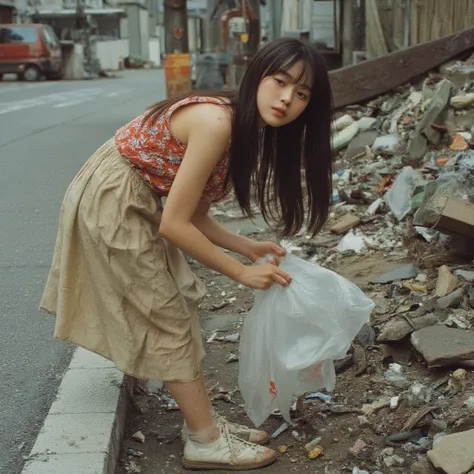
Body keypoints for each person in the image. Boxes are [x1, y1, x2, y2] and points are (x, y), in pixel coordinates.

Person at [40, 37, 333, 471]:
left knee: (175, 306)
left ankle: (204, 424)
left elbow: (194, 215)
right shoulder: (217, 122)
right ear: (257, 76)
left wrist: (245, 246)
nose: (288, 98)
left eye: (303, 93)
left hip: (133, 200)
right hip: (116, 201)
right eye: (280, 81)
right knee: (166, 316)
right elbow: (174, 224)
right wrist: (240, 272)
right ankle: (204, 441)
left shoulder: (244, 132)